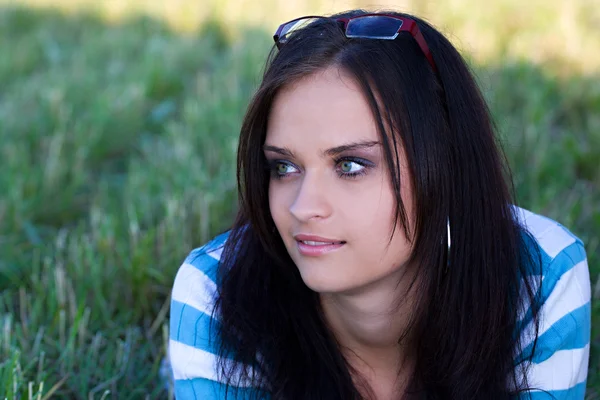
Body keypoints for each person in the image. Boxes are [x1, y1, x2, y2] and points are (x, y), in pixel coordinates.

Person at [168, 9, 591, 399]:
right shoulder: (216, 295)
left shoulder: (541, 274)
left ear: (443, 167)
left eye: (350, 165)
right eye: (284, 167)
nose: (302, 207)